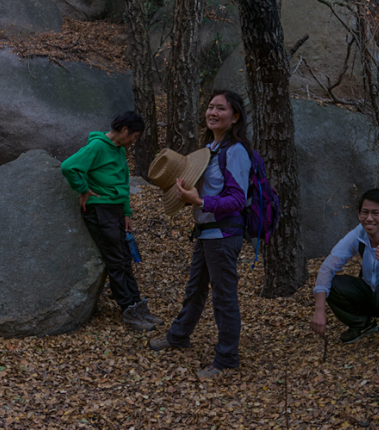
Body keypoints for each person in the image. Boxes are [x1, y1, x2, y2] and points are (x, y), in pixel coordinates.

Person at [149, 90, 250, 380]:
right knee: (195, 290)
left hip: (223, 235)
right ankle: (179, 336)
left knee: (224, 298)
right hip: (206, 234)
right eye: (210, 107)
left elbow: (237, 200)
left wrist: (200, 201)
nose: (213, 112)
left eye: (221, 108)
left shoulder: (235, 152)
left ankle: (227, 358)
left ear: (235, 117)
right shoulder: (211, 149)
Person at [61, 111, 163, 332]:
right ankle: (128, 309)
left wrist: (126, 213)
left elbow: (124, 183)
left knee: (125, 258)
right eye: (134, 136)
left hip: (116, 210)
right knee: (116, 260)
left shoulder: (119, 150)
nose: (133, 141)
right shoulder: (98, 147)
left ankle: (137, 304)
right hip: (100, 210)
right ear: (124, 130)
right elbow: (69, 167)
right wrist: (84, 189)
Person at [309, 188, 379, 353]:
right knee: (332, 283)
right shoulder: (358, 235)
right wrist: (319, 309)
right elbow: (328, 267)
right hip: (373, 294)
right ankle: (362, 324)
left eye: (376, 213)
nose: (369, 219)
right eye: (365, 213)